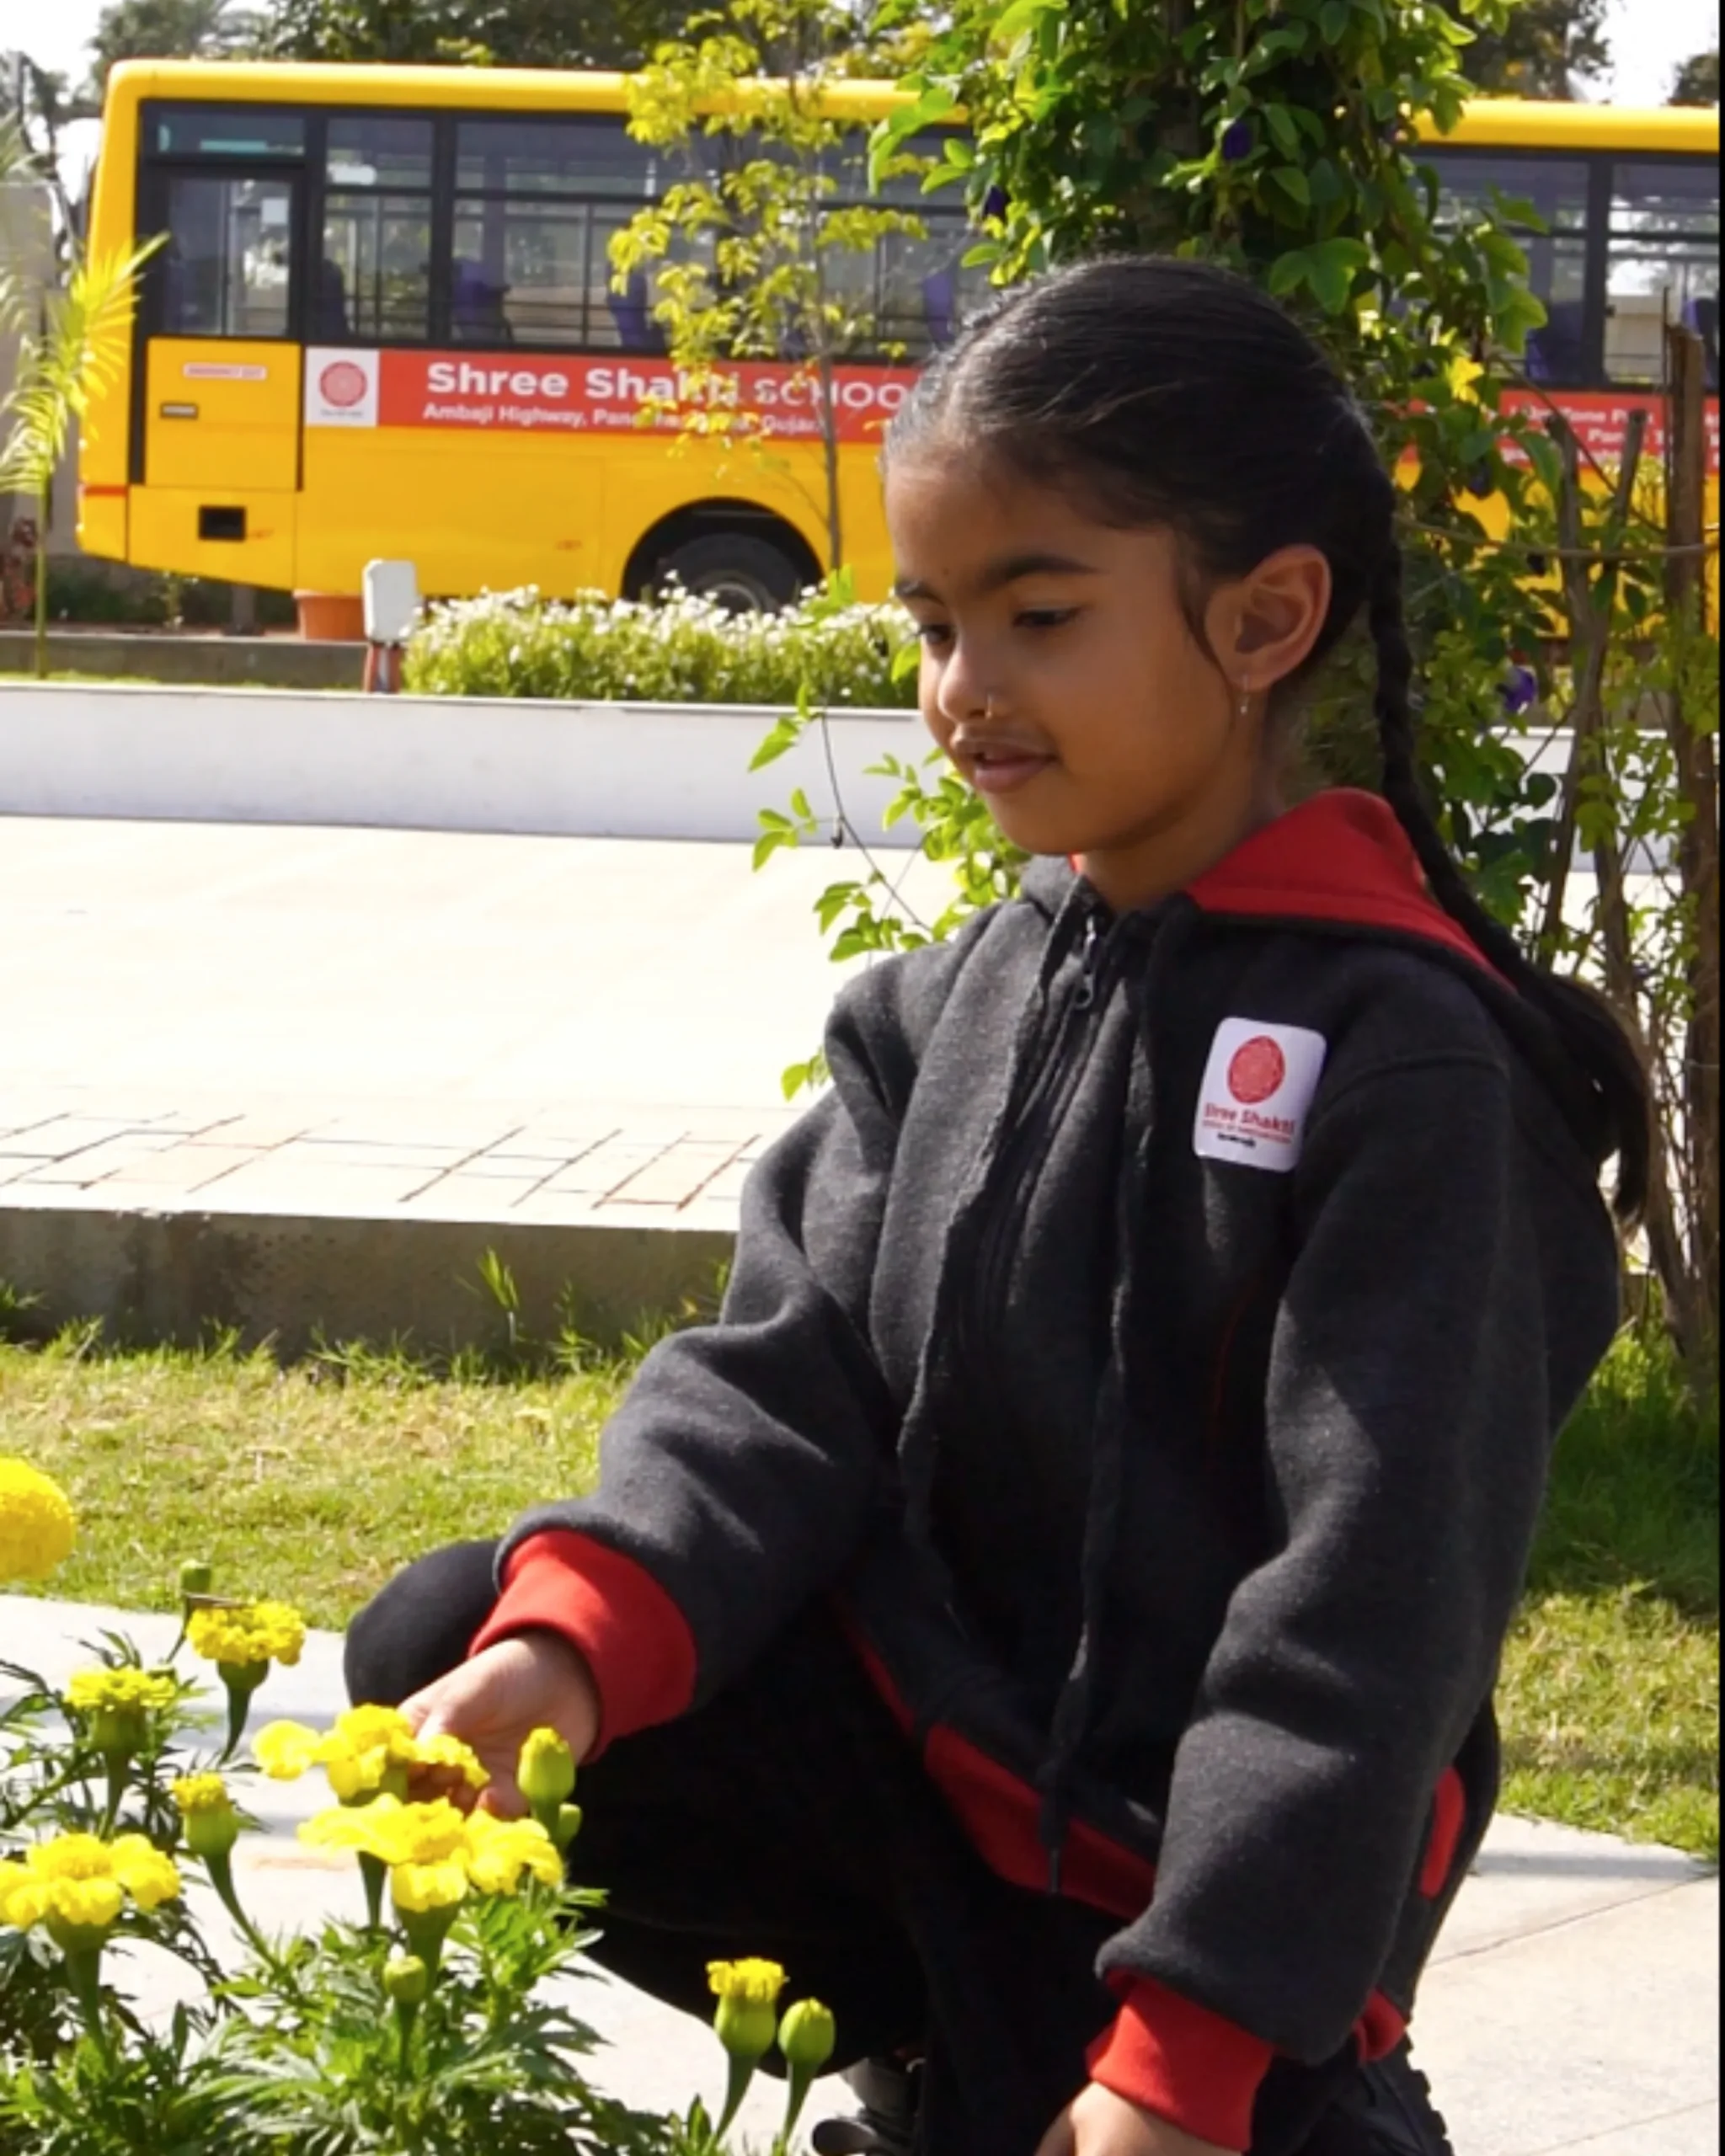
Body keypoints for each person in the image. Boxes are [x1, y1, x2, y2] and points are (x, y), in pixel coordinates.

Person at [345, 258, 1645, 2156]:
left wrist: (1184, 2058)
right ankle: (955, 2047)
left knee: (1197, 2093)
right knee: (452, 1634)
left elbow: (1372, 1607)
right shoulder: (940, 1003)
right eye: (932, 624)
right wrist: (565, 1639)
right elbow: (779, 1383)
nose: (966, 691)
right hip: (936, 1792)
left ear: (1268, 616)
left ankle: (1237, 2078)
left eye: (1037, 615)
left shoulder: (1412, 1069)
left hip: (1198, 1873)